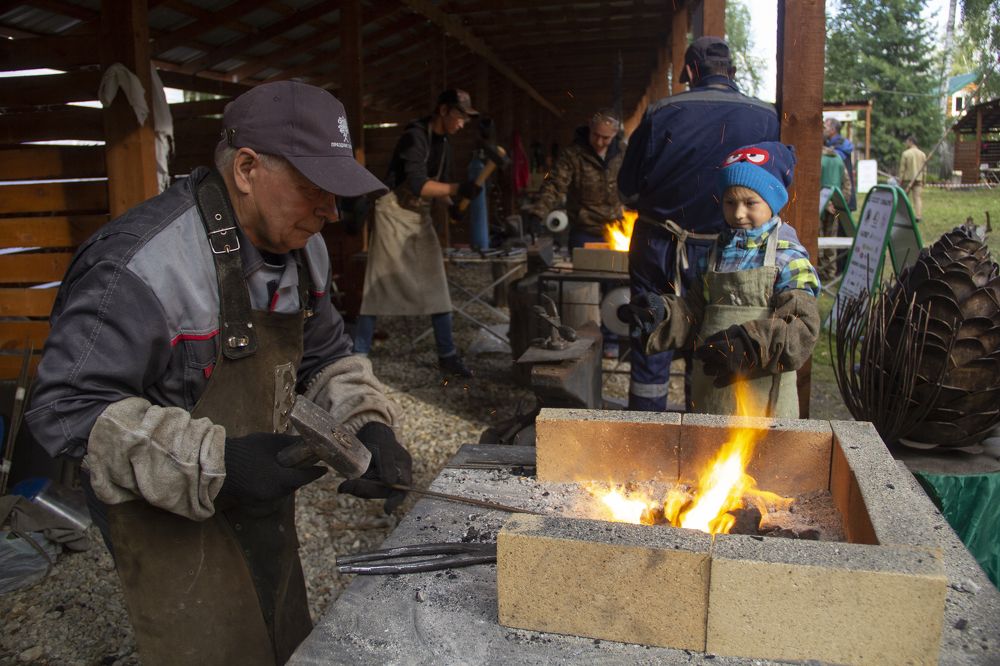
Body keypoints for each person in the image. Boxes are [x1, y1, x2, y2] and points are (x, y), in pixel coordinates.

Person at [24, 81, 412, 665]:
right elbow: (66, 408)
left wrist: (367, 423)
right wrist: (216, 465)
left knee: (280, 632)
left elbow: (325, 353)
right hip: (159, 505)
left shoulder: (305, 247)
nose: (332, 212)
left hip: (258, 493)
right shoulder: (140, 267)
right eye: (315, 189)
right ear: (248, 169)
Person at [617, 36, 780, 411]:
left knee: (651, 328)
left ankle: (645, 432)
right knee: (716, 337)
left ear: (690, 70)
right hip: (732, 250)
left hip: (660, 246)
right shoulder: (766, 116)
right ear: (732, 71)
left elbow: (627, 188)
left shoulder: (662, 112)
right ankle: (703, 433)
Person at [624, 142, 821, 418]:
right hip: (711, 398)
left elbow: (802, 327)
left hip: (763, 408)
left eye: (750, 203)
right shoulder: (714, 253)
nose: (738, 213)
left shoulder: (788, 258)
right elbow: (695, 314)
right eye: (730, 202)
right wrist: (662, 315)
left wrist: (752, 344)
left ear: (773, 202)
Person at [354, 89, 480, 378]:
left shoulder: (444, 143)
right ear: (444, 111)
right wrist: (457, 189)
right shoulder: (415, 137)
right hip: (392, 213)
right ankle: (358, 355)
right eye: (459, 117)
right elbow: (418, 184)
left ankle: (447, 355)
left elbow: (439, 188)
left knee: (437, 282)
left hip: (419, 216)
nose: (462, 124)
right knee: (377, 284)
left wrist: (455, 206)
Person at [523, 109, 625, 249]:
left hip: (617, 229)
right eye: (595, 135)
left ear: (614, 134)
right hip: (584, 231)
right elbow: (555, 185)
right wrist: (537, 214)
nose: (599, 142)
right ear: (590, 127)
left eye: (605, 138)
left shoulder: (622, 153)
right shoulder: (572, 155)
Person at [818, 143, 854, 281]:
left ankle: (818, 269)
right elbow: (847, 184)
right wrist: (840, 203)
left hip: (820, 205)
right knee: (832, 236)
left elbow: (812, 182)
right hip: (836, 207)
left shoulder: (817, 159)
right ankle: (830, 271)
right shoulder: (839, 159)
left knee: (818, 236)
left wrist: (825, 203)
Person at [823, 117, 856, 210]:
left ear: (833, 130)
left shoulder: (839, 147)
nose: (823, 130)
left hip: (843, 193)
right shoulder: (832, 144)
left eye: (825, 127)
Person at [899, 134, 927, 221]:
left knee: (903, 198)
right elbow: (924, 169)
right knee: (917, 198)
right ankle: (918, 216)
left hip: (907, 179)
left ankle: (904, 215)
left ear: (911, 142)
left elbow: (902, 169)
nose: (906, 143)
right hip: (918, 179)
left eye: (907, 141)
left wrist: (900, 180)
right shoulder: (922, 154)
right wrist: (924, 180)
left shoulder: (906, 153)